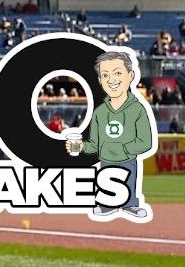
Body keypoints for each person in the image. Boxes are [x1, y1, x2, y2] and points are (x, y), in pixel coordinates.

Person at [67, 49, 156, 220]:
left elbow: (146, 142)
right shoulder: (100, 112)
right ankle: (107, 204)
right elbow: (94, 143)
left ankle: (130, 204)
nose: (112, 80)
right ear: (100, 80)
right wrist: (79, 146)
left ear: (130, 76)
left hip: (128, 159)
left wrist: (120, 148)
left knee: (129, 182)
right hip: (106, 161)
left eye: (117, 73)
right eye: (105, 75)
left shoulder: (137, 109)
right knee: (107, 187)